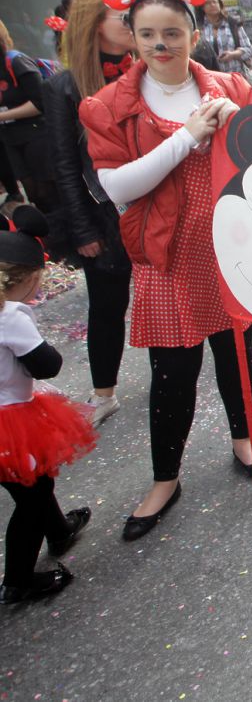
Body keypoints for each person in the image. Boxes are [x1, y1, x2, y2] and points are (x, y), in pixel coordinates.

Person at [80, 0, 252, 542]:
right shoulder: (107, 106)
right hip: (165, 259)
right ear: (130, 37)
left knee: (237, 356)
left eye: (172, 31)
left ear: (194, 31)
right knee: (172, 374)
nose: (160, 45)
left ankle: (245, 440)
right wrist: (187, 137)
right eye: (147, 34)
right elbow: (118, 188)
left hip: (228, 248)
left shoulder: (231, 87)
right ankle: (166, 477)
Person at [45, 0, 134, 427]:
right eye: (124, 14)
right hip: (102, 213)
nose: (133, 21)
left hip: (151, 205)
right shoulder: (65, 85)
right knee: (106, 305)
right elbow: (64, 163)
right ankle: (104, 392)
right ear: (97, 23)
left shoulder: (147, 69)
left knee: (165, 304)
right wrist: (82, 230)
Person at [0, 206, 96, 605]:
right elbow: (48, 365)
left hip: (8, 412)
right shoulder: (12, 318)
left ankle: (58, 530)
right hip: (9, 419)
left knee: (35, 484)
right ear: (29, 281)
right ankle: (18, 580)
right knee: (32, 495)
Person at [0, 19, 64, 255]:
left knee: (47, 190)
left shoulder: (16, 61)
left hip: (36, 133)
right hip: (11, 138)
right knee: (34, 194)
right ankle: (50, 244)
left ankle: (63, 245)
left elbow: (40, 102)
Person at [198, 0, 252, 81]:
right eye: (208, 3)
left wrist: (233, 55)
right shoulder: (200, 28)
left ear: (220, 5)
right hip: (212, 80)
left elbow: (249, 49)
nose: (212, 5)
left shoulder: (233, 24)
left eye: (215, 2)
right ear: (202, 7)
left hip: (235, 78)